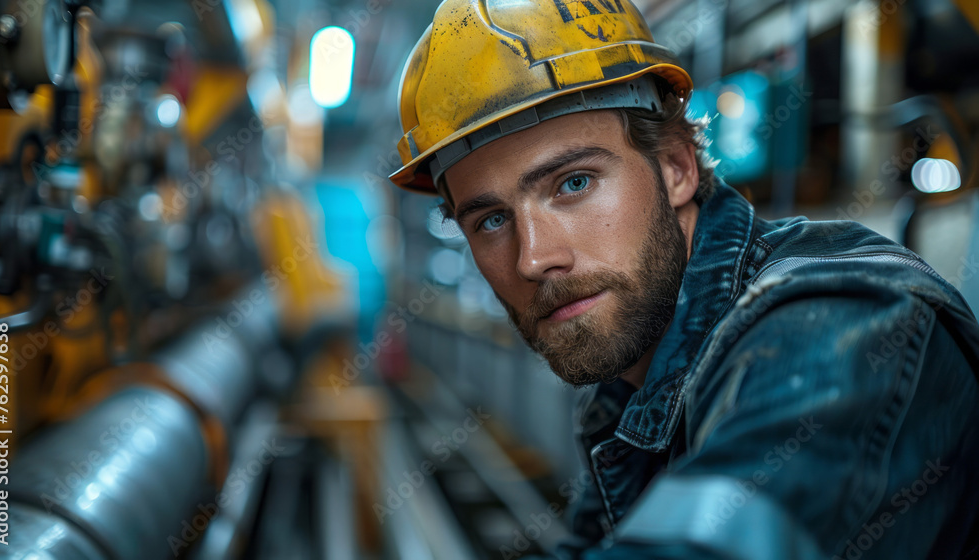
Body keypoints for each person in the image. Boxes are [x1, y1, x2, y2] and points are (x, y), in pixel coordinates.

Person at [387, 1, 979, 558]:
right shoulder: (627, 382)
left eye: (573, 184)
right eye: (491, 220)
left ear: (675, 167)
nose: (533, 259)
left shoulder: (846, 327)